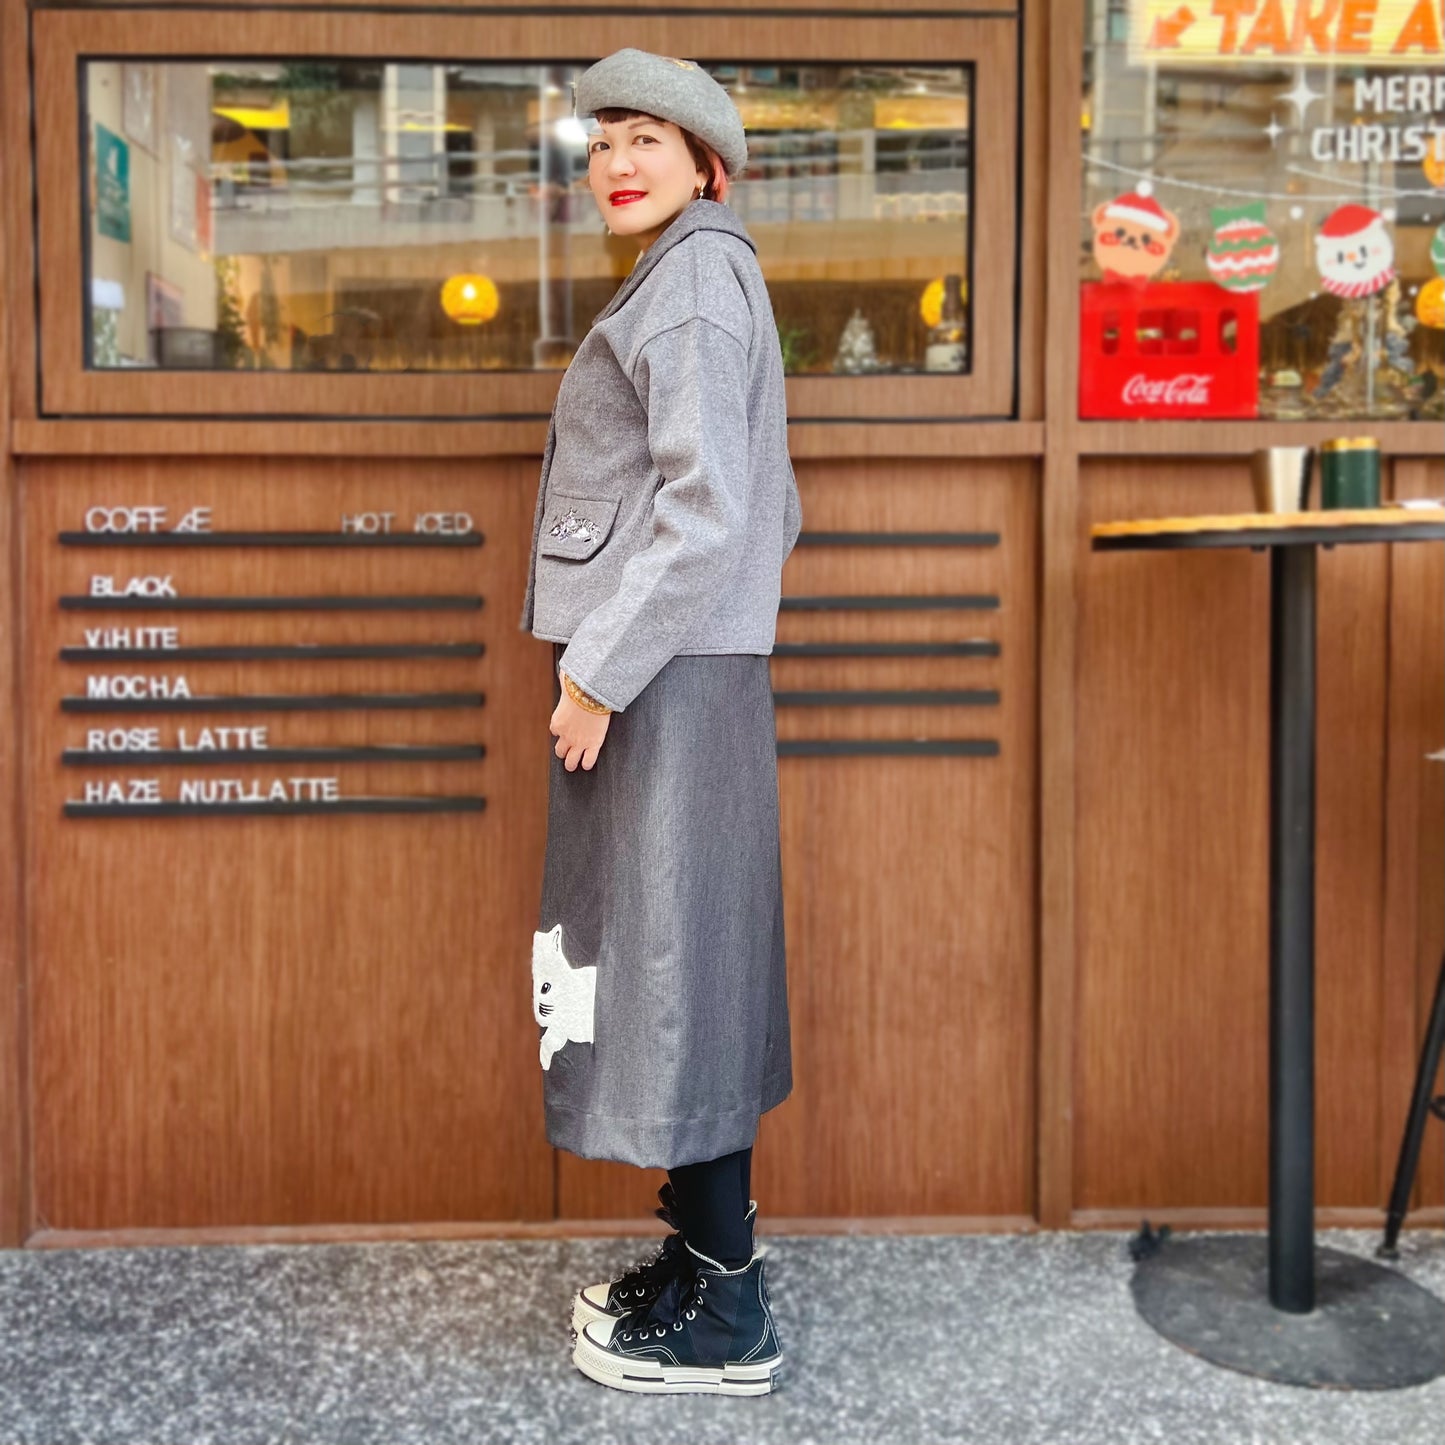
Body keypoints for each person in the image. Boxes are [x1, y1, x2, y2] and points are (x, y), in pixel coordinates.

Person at [518, 47, 802, 1397]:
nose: (616, 161)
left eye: (647, 137)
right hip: (680, 670)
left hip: (667, 673)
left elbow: (707, 512)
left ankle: (728, 1315)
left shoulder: (694, 281)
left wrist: (596, 674)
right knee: (673, 962)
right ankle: (699, 1257)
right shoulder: (692, 272)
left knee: (678, 967)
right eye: (602, 142)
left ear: (707, 165)